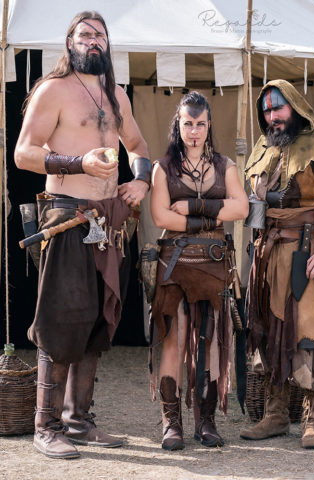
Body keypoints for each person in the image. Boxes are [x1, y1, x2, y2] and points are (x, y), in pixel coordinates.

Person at [14, 11, 151, 459]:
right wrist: (79, 163)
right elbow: (24, 153)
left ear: (107, 45)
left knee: (96, 321)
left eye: (100, 36)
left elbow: (139, 148)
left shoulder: (117, 96)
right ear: (70, 42)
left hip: (109, 221)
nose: (94, 41)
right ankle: (46, 425)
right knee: (60, 321)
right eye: (85, 35)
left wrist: (141, 182)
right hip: (68, 216)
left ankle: (77, 421)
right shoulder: (51, 90)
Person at [239, 80, 314, 449]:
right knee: (270, 332)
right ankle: (276, 415)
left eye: (278, 108)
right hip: (266, 255)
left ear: (294, 106)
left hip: (307, 255)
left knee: (312, 333)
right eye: (267, 111)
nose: (272, 117)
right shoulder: (261, 147)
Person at [149, 91, 248, 451]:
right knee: (174, 342)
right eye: (188, 124)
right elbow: (160, 216)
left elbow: (241, 208)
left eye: (200, 124)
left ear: (209, 126)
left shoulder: (225, 166)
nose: (194, 131)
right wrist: (208, 216)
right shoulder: (163, 168)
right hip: (175, 265)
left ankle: (205, 421)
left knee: (209, 343)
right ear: (179, 124)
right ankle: (171, 423)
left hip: (214, 264)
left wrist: (192, 207)